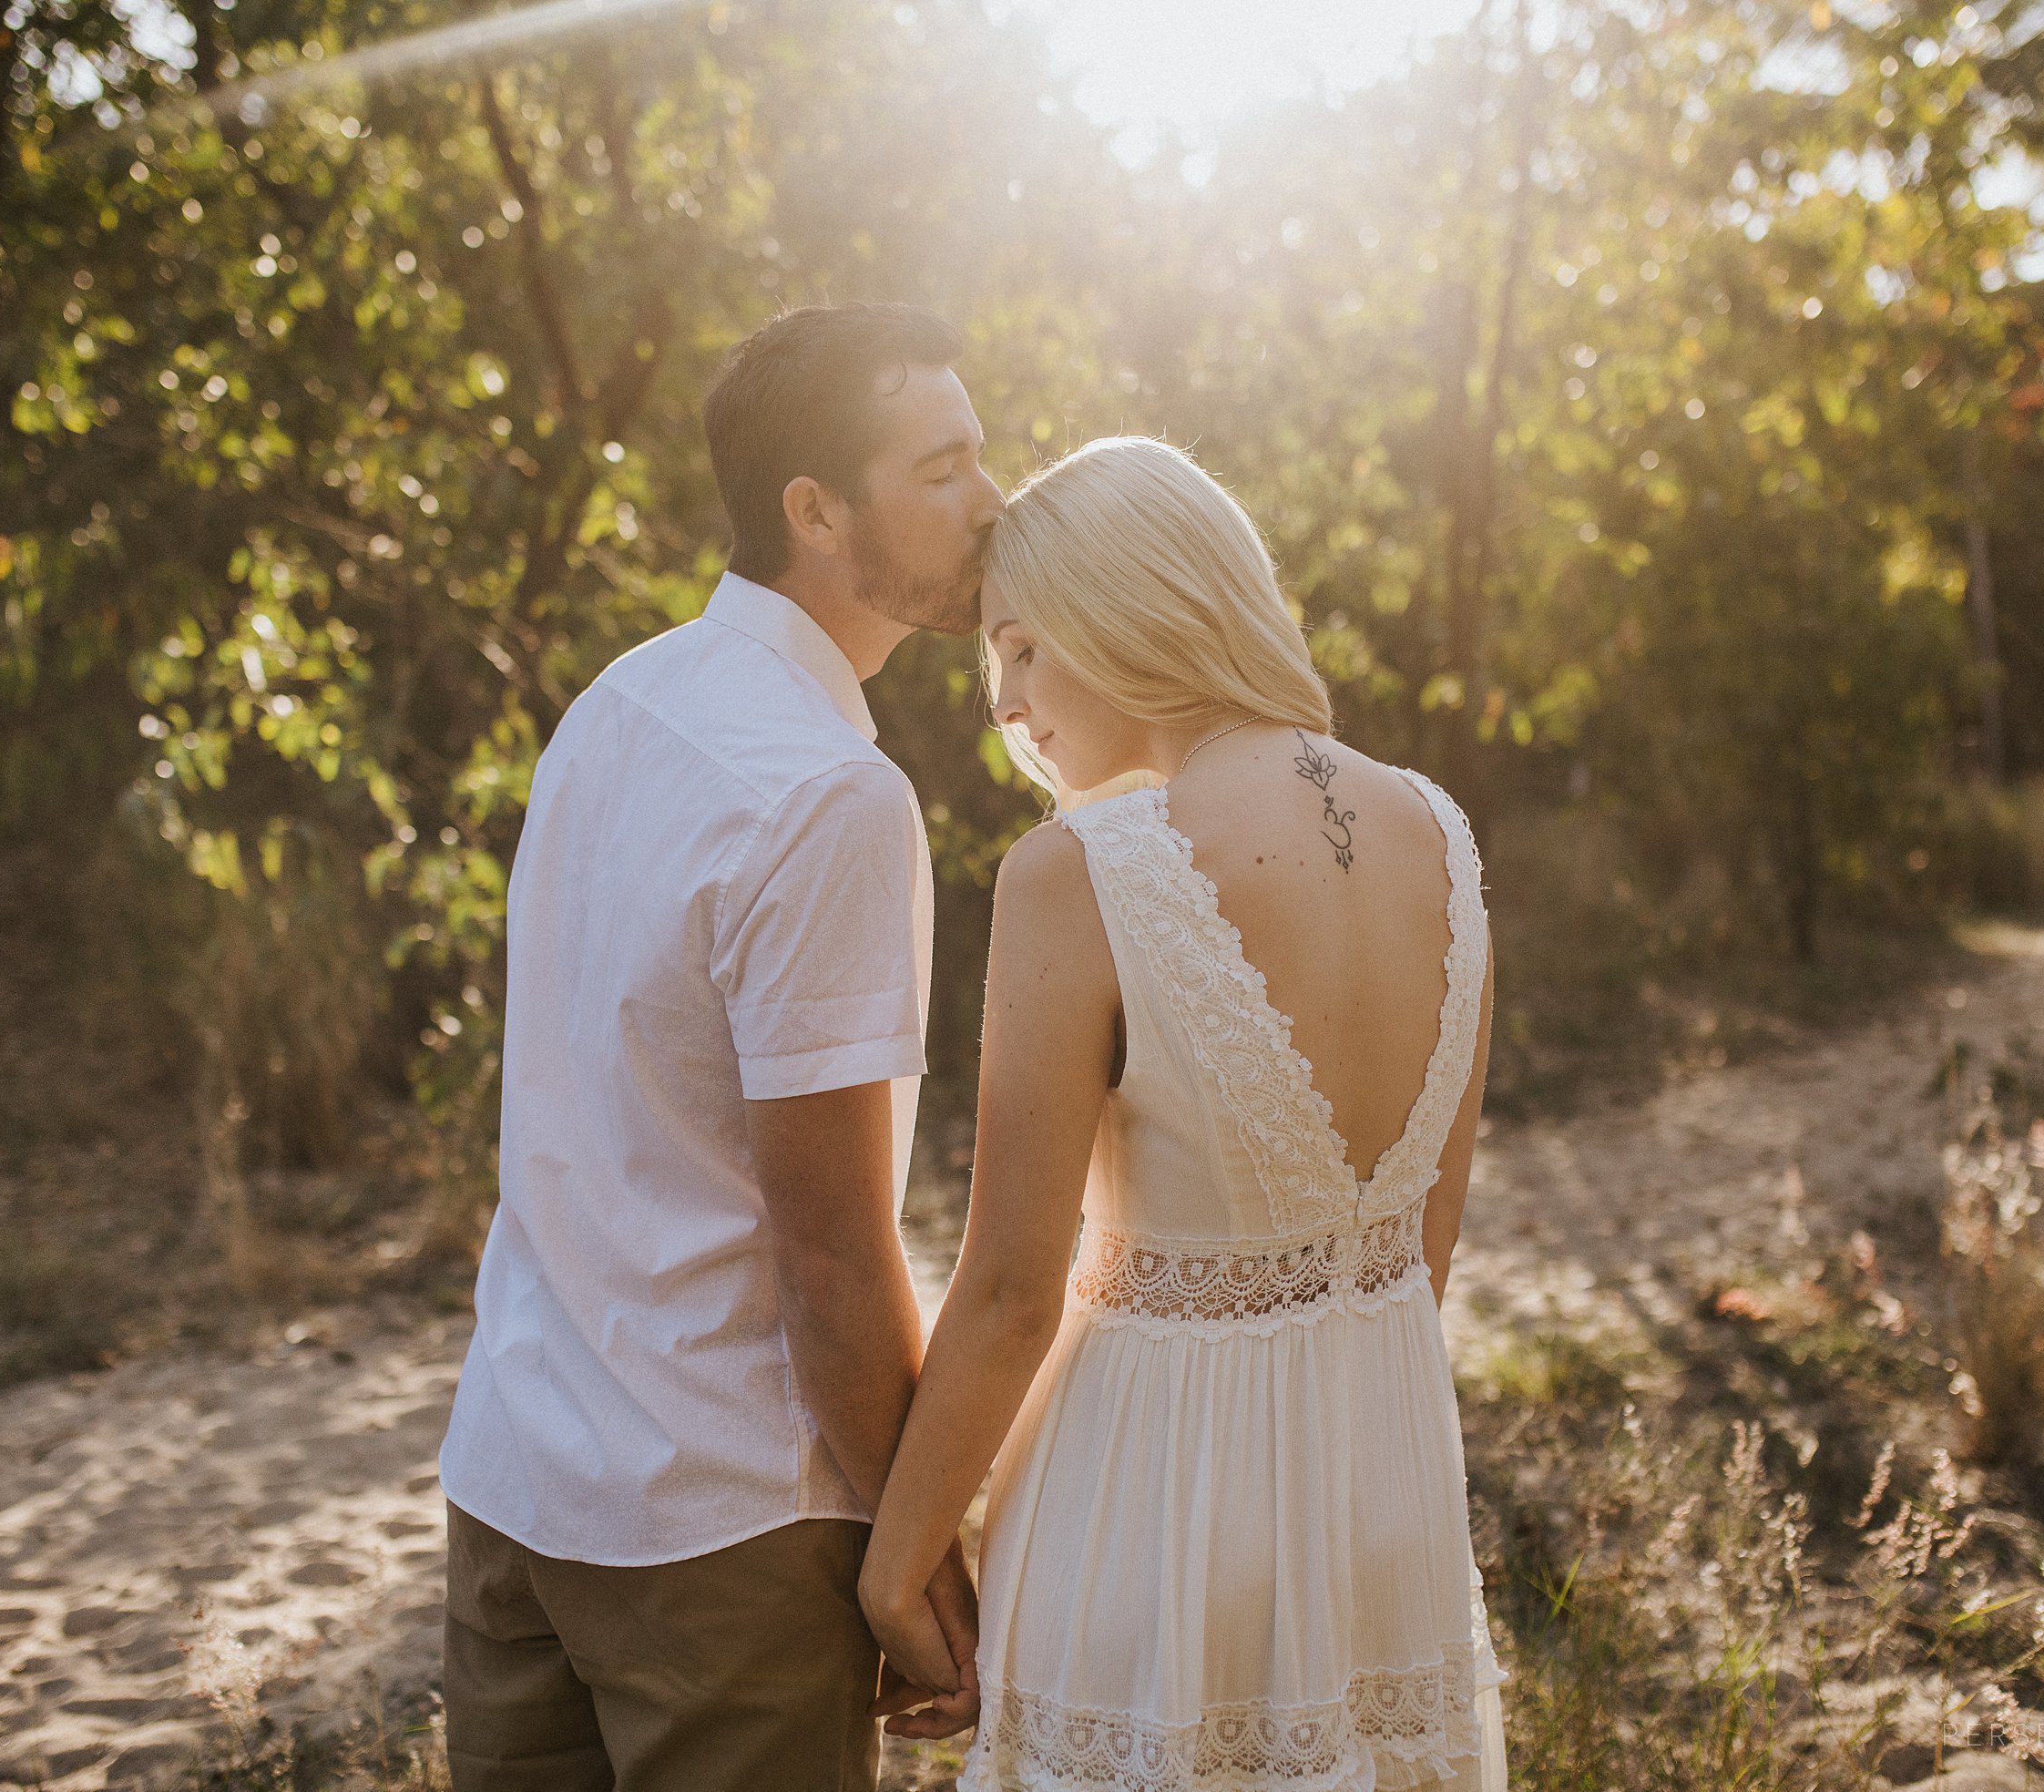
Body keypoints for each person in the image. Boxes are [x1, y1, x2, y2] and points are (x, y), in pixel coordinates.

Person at [858, 436, 1511, 1790]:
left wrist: (894, 1567)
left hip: (1148, 1506)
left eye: (1026, 647)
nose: (1008, 703)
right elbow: (1420, 1254)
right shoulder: (1438, 833)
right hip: (1380, 1498)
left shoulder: (1078, 874)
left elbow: (1007, 1297)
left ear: (1134, 603)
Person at [435, 302, 1003, 1792]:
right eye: (941, 466)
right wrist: (912, 1550)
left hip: (513, 1478)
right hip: (719, 1532)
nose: (991, 500)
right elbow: (829, 1254)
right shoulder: (826, 794)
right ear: (814, 511)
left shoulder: (616, 704)